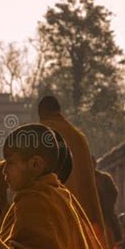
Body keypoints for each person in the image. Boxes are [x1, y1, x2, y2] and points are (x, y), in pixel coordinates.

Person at [38, 96, 105, 239]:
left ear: (41, 114)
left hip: (50, 211)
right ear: (59, 111)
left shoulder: (41, 134)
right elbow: (88, 184)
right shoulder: (79, 137)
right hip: (78, 213)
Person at [93, 158, 122, 249]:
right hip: (91, 217)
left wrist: (105, 204)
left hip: (105, 216)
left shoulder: (104, 178)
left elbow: (114, 193)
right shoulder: (83, 179)